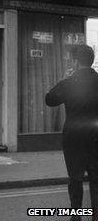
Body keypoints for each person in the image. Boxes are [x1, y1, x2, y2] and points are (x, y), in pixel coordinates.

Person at [45, 45, 98, 220]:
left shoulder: (69, 83)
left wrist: (64, 79)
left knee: (75, 178)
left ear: (75, 61)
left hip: (74, 137)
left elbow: (50, 99)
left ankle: (76, 216)